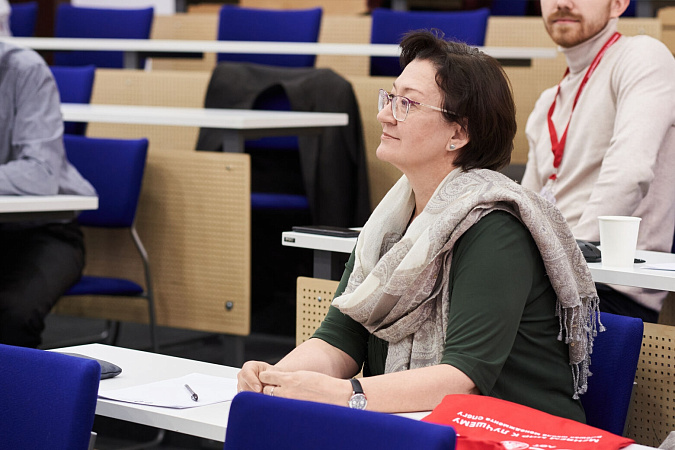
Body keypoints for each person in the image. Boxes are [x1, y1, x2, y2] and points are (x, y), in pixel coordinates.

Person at [238, 31, 600, 422]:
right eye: (390, 97)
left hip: (519, 430)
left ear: (458, 133)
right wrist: (274, 378)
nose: (384, 114)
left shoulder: (495, 226)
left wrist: (346, 394)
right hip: (424, 425)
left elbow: (462, 379)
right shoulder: (389, 223)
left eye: (406, 104)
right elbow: (339, 339)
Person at [522, 0, 675, 323]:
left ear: (618, 4)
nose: (562, 3)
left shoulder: (642, 56)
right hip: (542, 276)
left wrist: (561, 258)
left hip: (608, 287)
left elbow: (629, 173)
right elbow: (528, 208)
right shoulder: (546, 103)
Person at [0, 40, 96, 347]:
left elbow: (40, 175)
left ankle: (18, 380)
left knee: (12, 312)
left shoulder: (25, 70)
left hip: (45, 230)